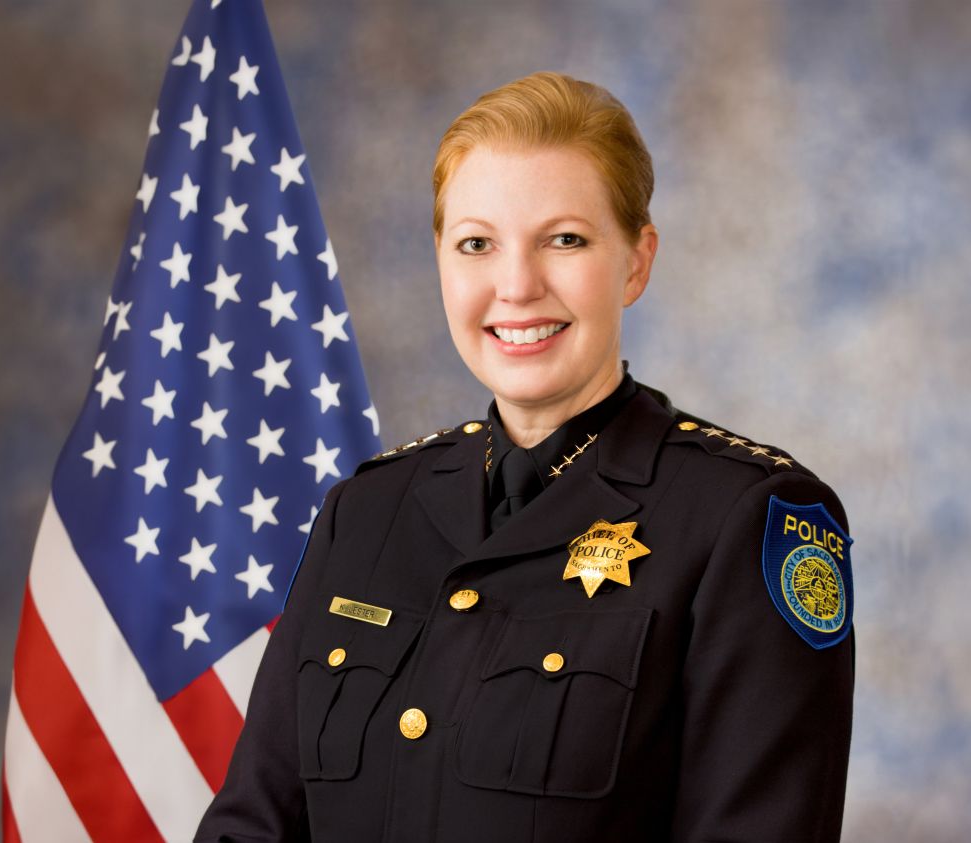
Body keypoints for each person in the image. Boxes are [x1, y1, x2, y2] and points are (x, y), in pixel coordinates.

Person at [195, 70, 854, 843]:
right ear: (441, 259)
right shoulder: (365, 512)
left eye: (564, 239)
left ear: (636, 262)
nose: (515, 285)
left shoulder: (746, 520)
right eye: (477, 243)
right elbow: (253, 824)